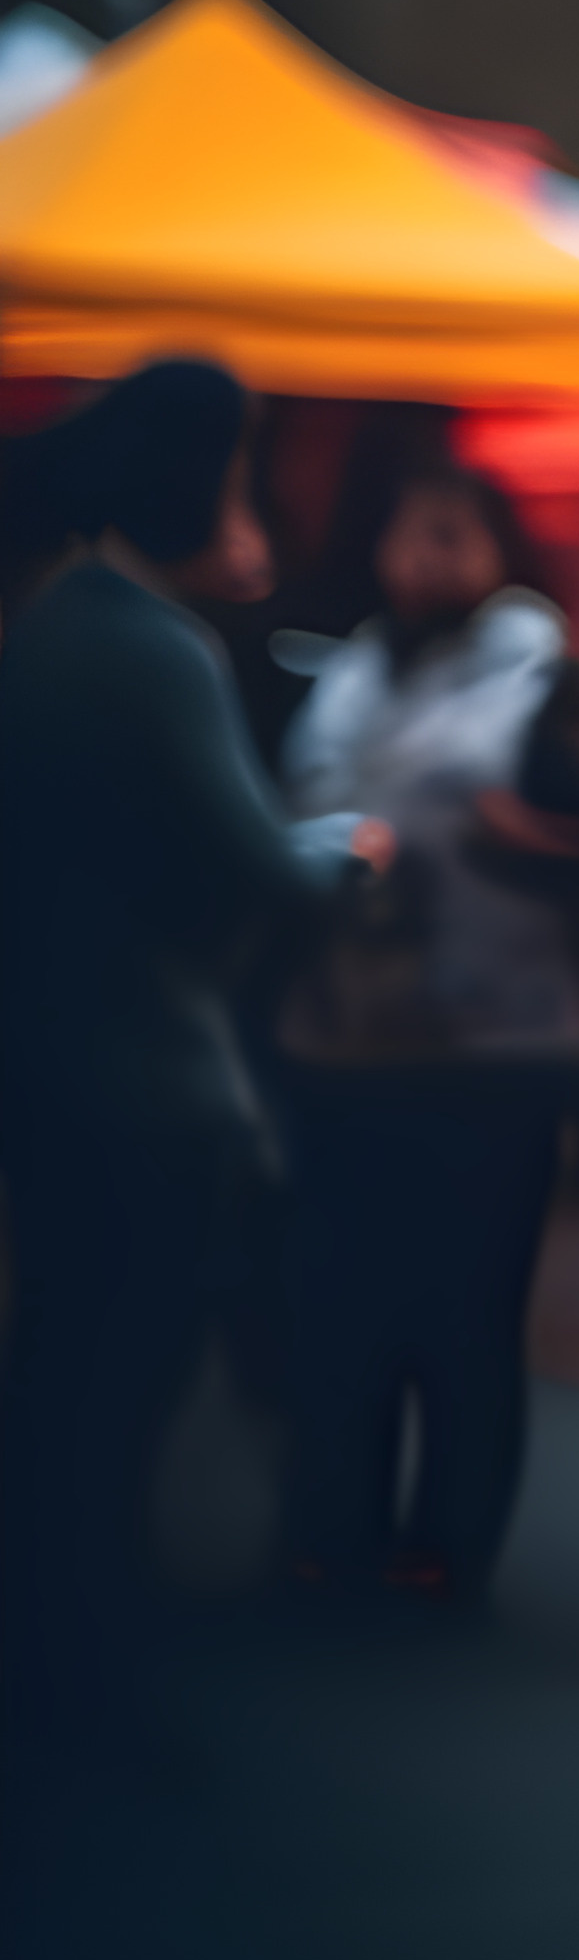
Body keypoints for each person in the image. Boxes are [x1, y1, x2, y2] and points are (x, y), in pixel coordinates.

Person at [0, 363, 378, 1701]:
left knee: (61, 1355)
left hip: (47, 1052)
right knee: (127, 1369)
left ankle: (50, 1627)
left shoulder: (48, 619)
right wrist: (350, 845)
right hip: (150, 1067)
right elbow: (266, 863)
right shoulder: (153, 648)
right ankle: (83, 1646)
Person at [271, 459, 579, 1615]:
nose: (431, 559)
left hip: (498, 1043)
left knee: (468, 1303)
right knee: (339, 1298)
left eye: (454, 535)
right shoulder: (346, 671)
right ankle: (333, 1525)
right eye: (413, 533)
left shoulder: (545, 674)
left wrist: (519, 832)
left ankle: (448, 1542)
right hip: (345, 1033)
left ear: (499, 549)